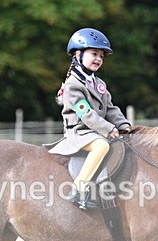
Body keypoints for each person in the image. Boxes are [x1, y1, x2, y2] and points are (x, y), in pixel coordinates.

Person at [48, 28, 131, 209]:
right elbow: (85, 113)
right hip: (79, 133)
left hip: (96, 131)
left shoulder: (99, 84)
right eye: (94, 54)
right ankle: (79, 189)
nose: (98, 59)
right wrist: (108, 129)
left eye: (101, 56)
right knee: (102, 145)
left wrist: (124, 125)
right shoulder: (73, 84)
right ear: (78, 54)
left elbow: (110, 108)